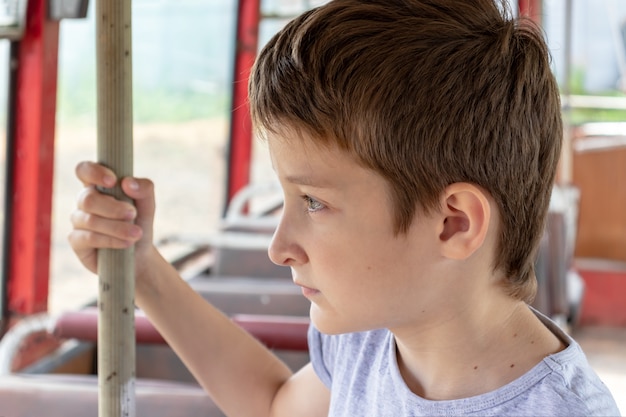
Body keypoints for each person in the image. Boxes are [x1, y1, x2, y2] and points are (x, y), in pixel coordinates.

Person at [69, 0, 620, 415]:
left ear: (453, 223)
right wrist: (144, 269)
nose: (278, 246)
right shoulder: (369, 339)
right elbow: (275, 403)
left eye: (313, 201)